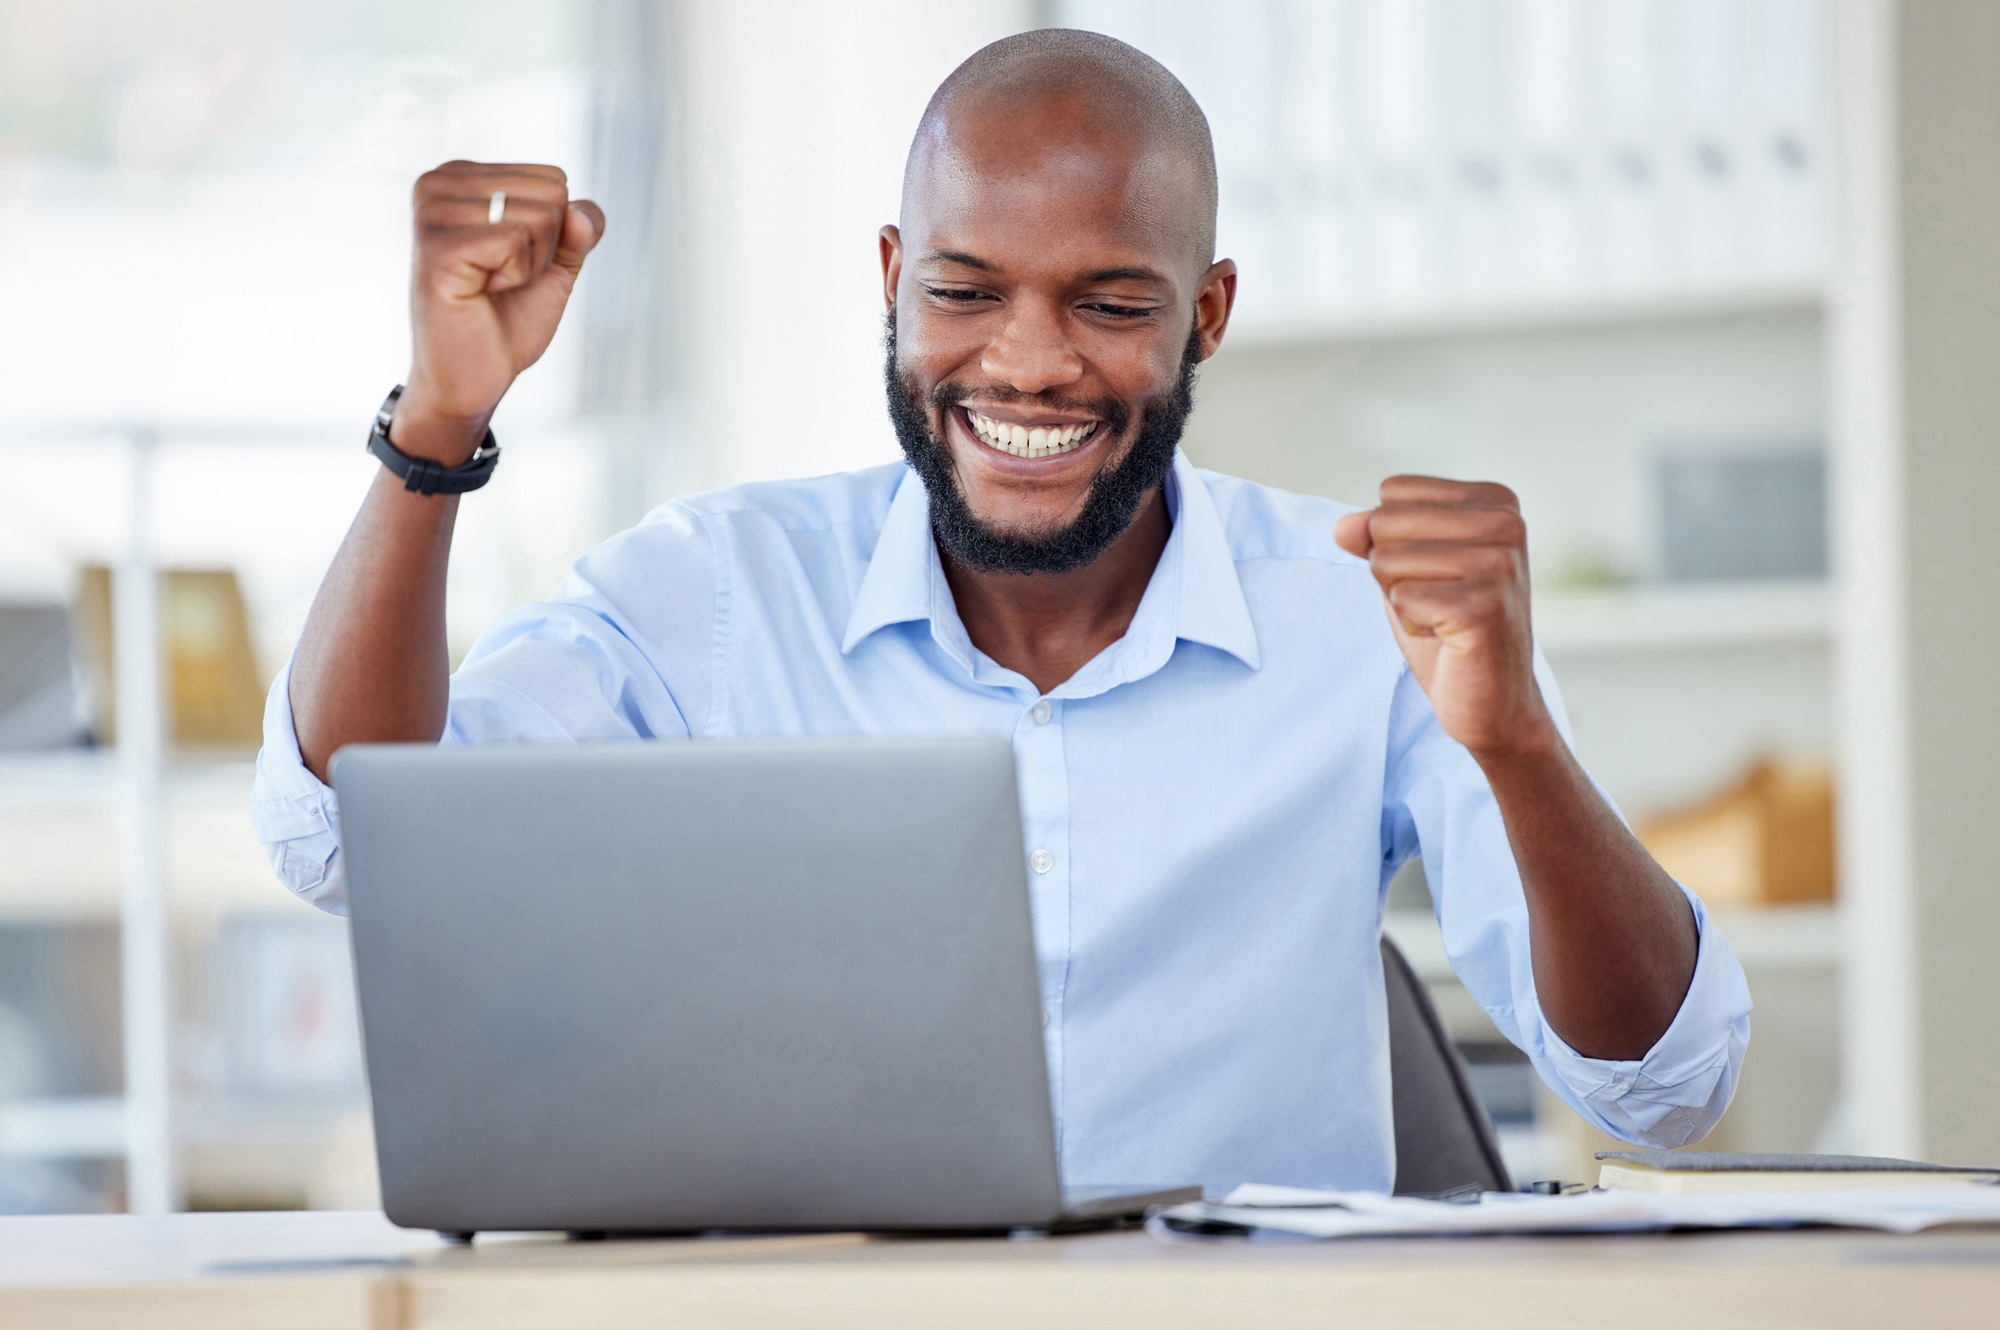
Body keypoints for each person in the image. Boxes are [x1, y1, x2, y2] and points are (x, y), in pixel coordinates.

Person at [253, 29, 1750, 1194]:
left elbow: (1663, 1081)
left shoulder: (1364, 620)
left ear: (1206, 313)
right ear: (895, 282)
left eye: (1108, 303)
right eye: (969, 290)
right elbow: (350, 837)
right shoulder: (715, 591)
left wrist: (1522, 741)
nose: (1029, 365)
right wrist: (438, 425)